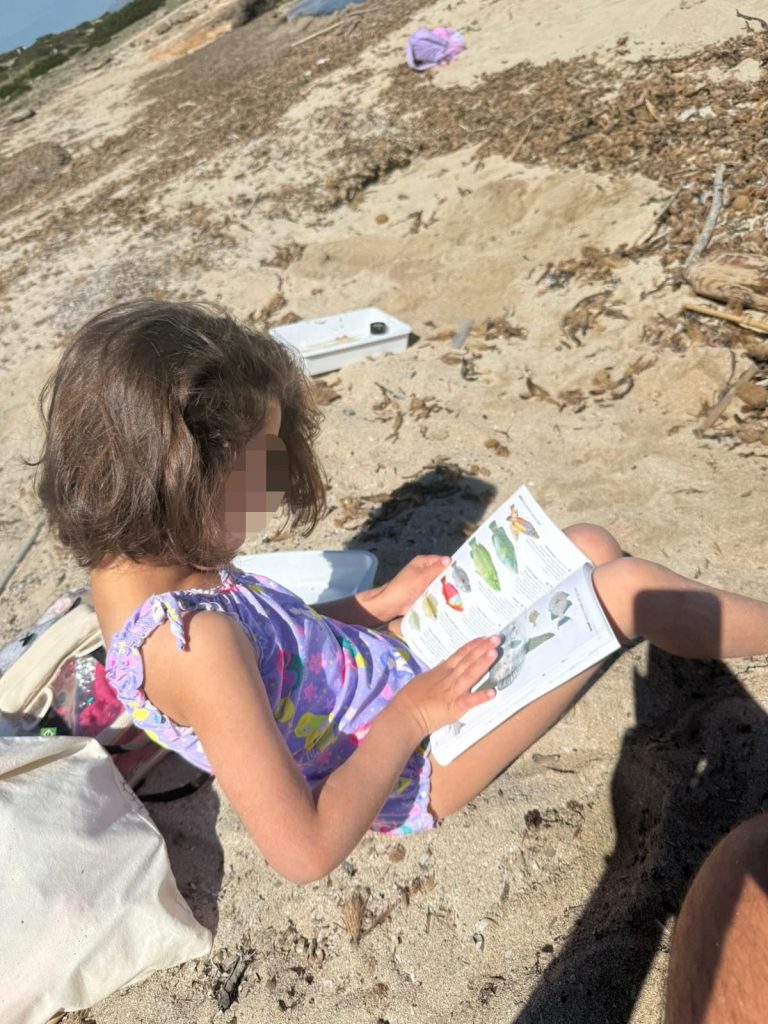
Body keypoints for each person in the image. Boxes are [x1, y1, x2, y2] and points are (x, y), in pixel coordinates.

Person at [34, 299, 768, 885]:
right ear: (177, 479)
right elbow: (304, 852)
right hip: (415, 765)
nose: (264, 505)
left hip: (393, 670)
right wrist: (410, 718)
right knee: (623, 590)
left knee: (585, 549)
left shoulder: (155, 570)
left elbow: (274, 649)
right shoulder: (190, 645)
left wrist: (373, 606)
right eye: (254, 484)